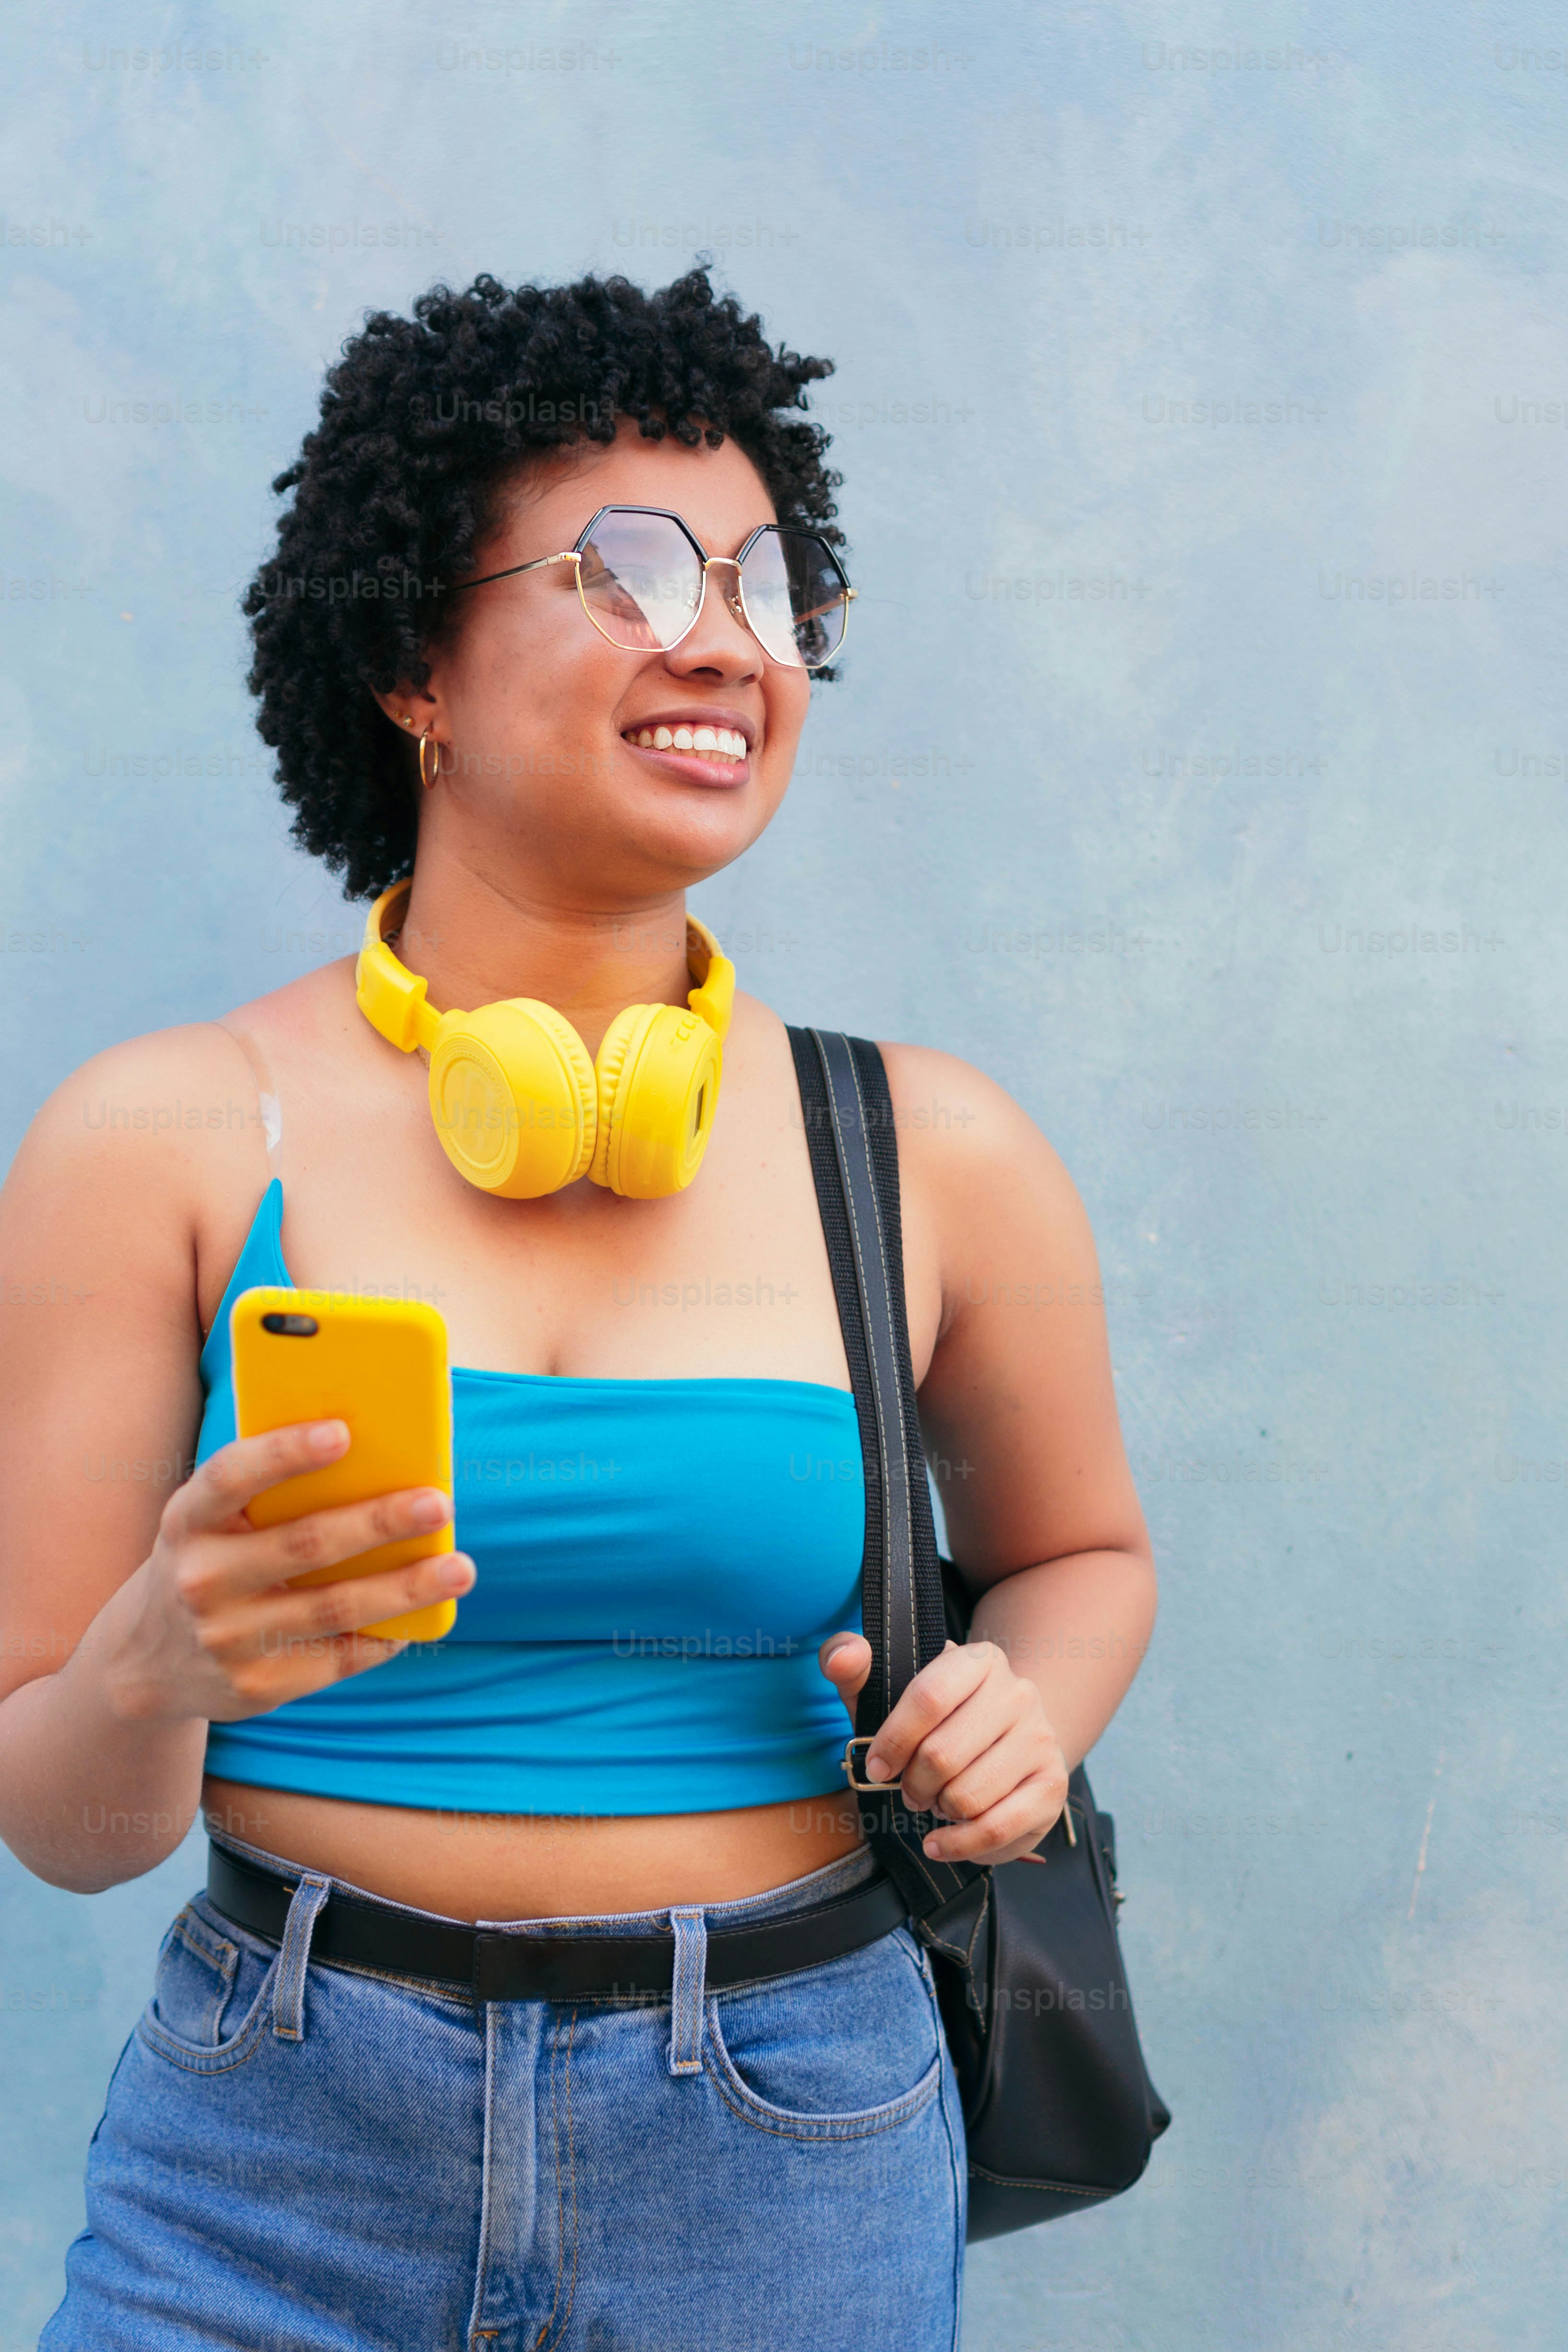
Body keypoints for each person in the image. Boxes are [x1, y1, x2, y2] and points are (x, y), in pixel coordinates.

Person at [2, 267, 1157, 2351]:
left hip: (789, 2141)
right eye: (624, 569)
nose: (723, 638)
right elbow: (62, 1823)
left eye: (765, 583)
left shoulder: (933, 1152)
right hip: (271, 2146)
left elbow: (1083, 1557)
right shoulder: (159, 1137)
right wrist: (157, 1666)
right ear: (412, 668)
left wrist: (1031, 1708)